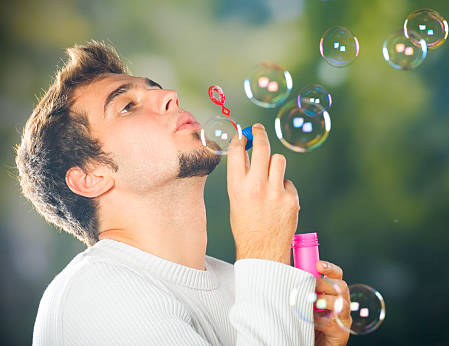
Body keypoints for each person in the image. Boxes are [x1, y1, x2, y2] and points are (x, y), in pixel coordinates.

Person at [16, 40, 351, 345]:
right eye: (127, 106)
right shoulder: (93, 296)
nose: (169, 95)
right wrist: (263, 247)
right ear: (90, 177)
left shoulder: (242, 286)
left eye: (156, 89)